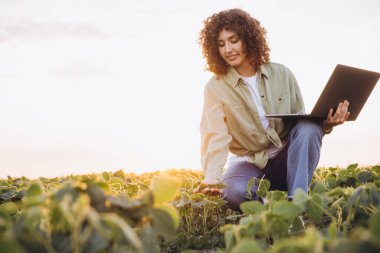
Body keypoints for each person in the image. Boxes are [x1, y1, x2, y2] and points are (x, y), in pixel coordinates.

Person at [194, 8, 350, 211]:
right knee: (234, 192)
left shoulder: (282, 73)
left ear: (248, 39)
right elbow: (215, 135)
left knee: (309, 127)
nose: (228, 49)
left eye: (234, 40)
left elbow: (301, 125)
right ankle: (270, 210)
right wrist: (213, 176)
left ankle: (297, 203)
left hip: (286, 161)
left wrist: (326, 125)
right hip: (248, 163)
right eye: (221, 44)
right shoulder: (215, 87)